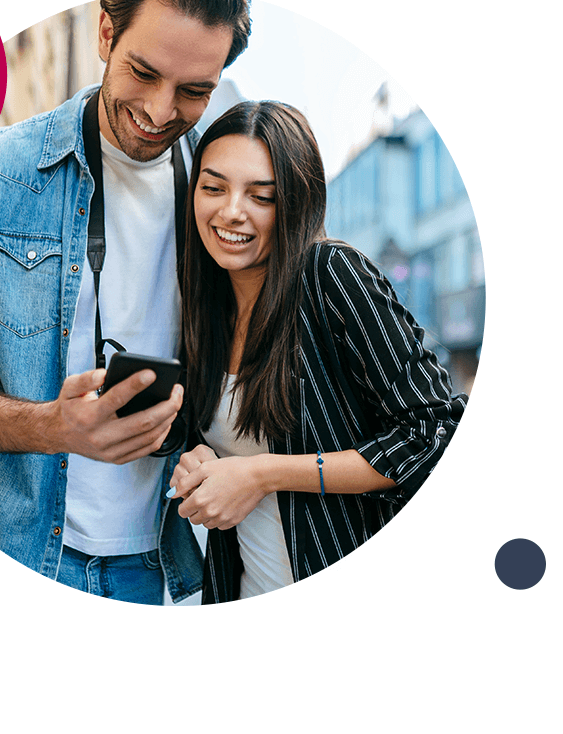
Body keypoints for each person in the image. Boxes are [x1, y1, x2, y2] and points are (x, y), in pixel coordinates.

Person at [0, 0, 252, 605]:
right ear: (105, 34)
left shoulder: (223, 198)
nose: (158, 109)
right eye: (143, 73)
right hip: (4, 555)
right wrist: (54, 426)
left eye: (193, 91)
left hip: (155, 571)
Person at [168, 100, 467, 603]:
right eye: (213, 187)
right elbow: (217, 443)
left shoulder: (331, 275)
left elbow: (437, 433)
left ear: (295, 202)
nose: (231, 211)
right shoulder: (203, 302)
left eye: (260, 196)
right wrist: (197, 459)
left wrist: (262, 474)